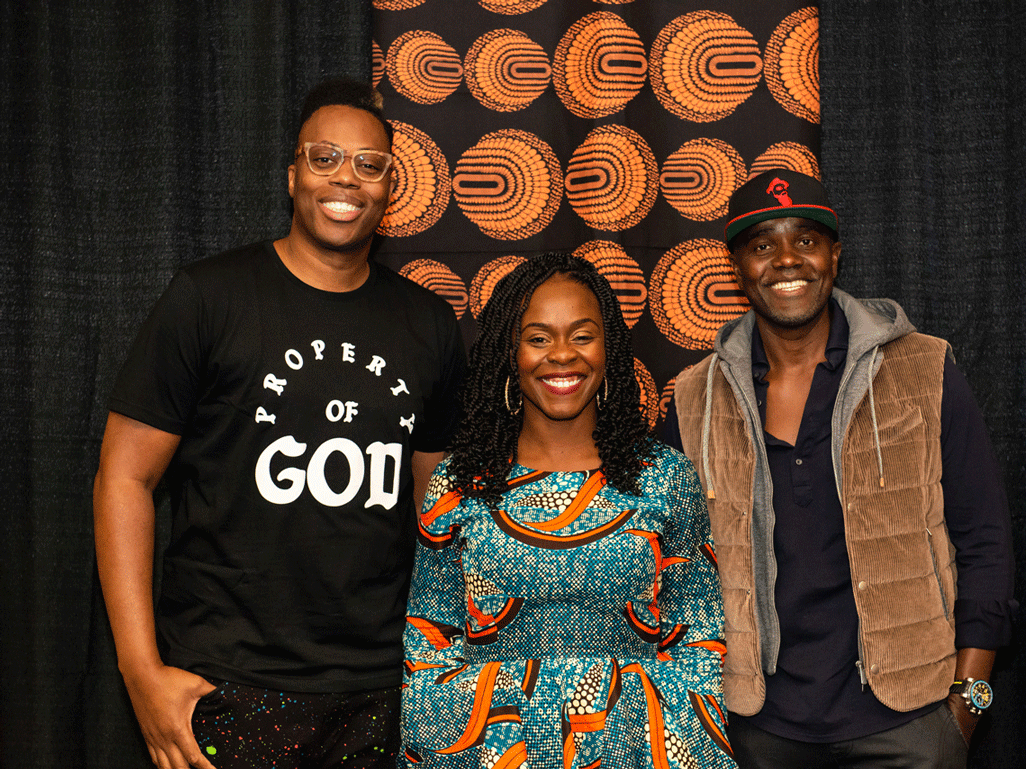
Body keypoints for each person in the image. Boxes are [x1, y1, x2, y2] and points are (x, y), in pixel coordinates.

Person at [92, 77, 465, 769]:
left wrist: (441, 667)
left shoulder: (429, 325)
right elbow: (124, 476)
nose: (344, 177)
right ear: (292, 173)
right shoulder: (208, 297)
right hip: (227, 687)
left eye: (369, 163)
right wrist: (140, 670)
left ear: (390, 187)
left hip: (379, 692)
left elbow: (436, 506)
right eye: (324, 157)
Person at [663, 170, 1016, 768]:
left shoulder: (922, 369)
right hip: (756, 731)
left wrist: (964, 708)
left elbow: (986, 539)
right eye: (762, 244)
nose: (786, 260)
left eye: (806, 239)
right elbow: (665, 561)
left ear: (835, 254)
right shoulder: (696, 396)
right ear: (737, 267)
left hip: (909, 724)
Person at [399, 254, 736, 768]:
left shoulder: (667, 479)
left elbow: (699, 643)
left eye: (582, 336)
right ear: (508, 353)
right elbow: (430, 647)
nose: (562, 355)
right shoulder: (459, 485)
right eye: (537, 338)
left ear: (610, 349)